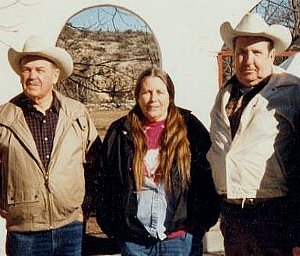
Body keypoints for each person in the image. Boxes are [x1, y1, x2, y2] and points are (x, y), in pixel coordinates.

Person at [96, 66, 221, 255]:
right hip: (134, 241)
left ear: (170, 96)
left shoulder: (190, 128)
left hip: (180, 239)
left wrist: (201, 224)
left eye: (160, 92)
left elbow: (208, 179)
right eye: (146, 92)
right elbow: (105, 181)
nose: (153, 99)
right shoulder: (121, 131)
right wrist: (115, 228)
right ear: (137, 96)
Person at [207, 12, 300, 255]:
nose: (248, 60)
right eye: (241, 53)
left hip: (275, 216)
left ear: (272, 55)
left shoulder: (292, 92)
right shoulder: (225, 95)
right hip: (234, 217)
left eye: (257, 52)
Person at [0, 35, 101, 256]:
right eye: (26, 70)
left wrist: (84, 208)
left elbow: (96, 164)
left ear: (55, 75)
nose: (32, 76)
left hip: (70, 228)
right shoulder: (3, 118)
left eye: (39, 70)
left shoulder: (77, 114)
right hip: (24, 234)